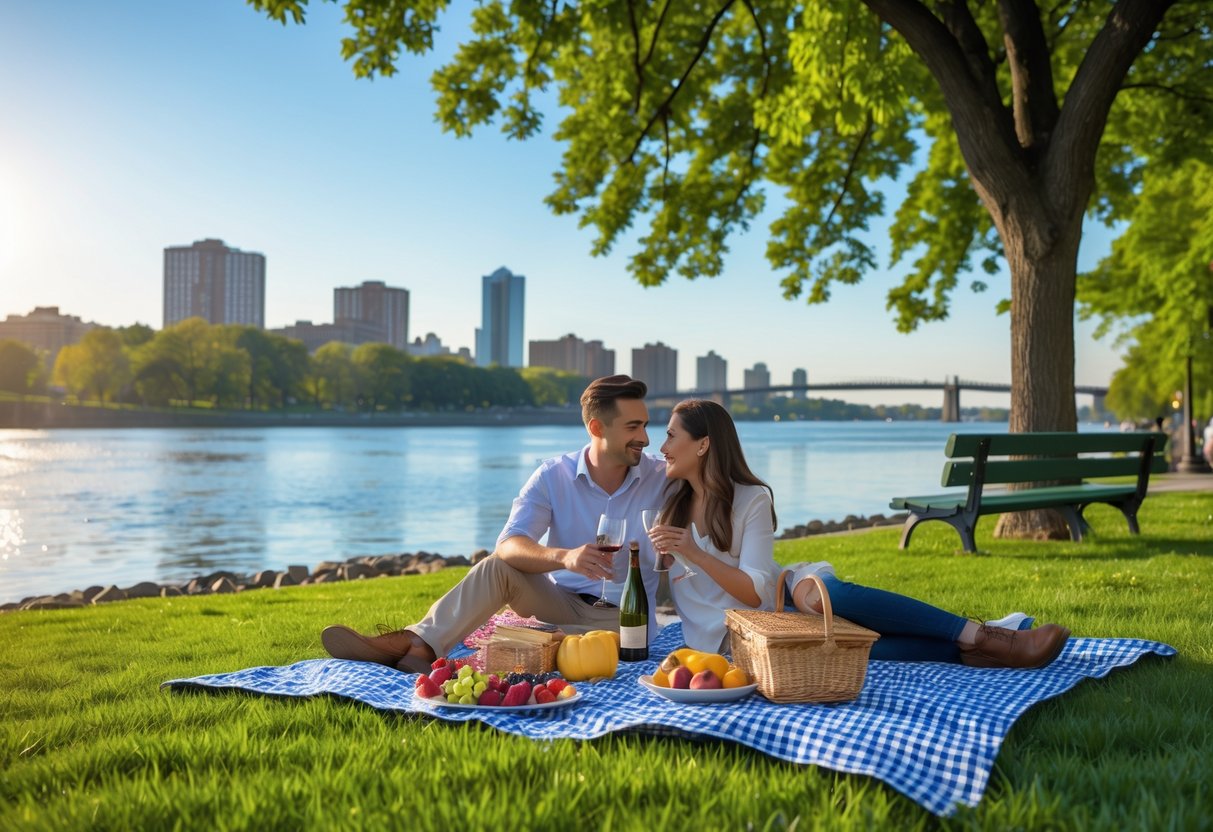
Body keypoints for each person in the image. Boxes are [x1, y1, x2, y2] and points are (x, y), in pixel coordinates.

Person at [645, 399, 1070, 668]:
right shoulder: (669, 503)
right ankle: (986, 647)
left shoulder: (750, 498)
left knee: (828, 599)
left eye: (670, 435)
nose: (661, 446)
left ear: (702, 445)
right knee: (864, 648)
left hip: (782, 601)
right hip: (729, 643)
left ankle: (980, 636)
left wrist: (696, 556)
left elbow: (757, 592)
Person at [321, 375, 670, 672]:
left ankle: (403, 648)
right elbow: (510, 544)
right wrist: (564, 558)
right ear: (597, 427)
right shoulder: (553, 475)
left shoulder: (661, 476)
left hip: (627, 618)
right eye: (633, 426)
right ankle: (423, 644)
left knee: (555, 646)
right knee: (494, 568)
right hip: (560, 600)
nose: (645, 437)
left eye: (644, 424)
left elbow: (717, 482)